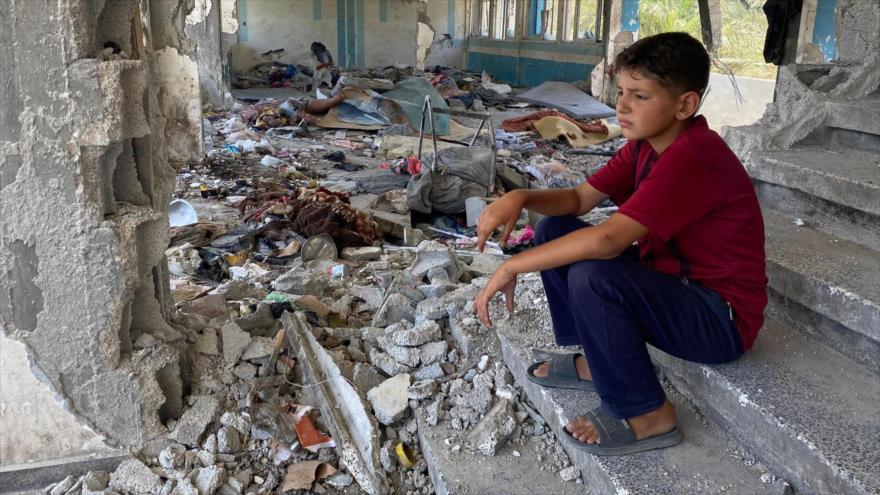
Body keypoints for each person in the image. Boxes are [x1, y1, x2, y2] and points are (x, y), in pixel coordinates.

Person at [472, 32, 767, 456]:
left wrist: (512, 266)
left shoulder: (694, 155)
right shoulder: (645, 147)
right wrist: (519, 197)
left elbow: (609, 239)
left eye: (640, 96)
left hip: (719, 319)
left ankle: (649, 415)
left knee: (596, 273)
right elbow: (576, 200)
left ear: (685, 105)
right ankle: (595, 360)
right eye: (622, 91)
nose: (621, 106)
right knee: (555, 229)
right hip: (675, 286)